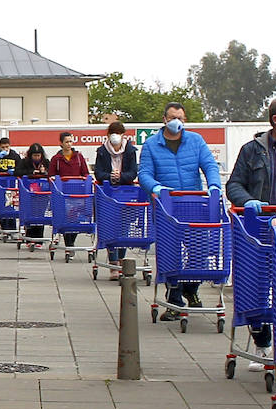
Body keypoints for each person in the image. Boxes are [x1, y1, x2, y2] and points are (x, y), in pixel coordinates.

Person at [227, 96, 276, 364]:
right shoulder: (252, 150)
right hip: (259, 230)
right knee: (255, 289)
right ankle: (262, 343)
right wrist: (248, 201)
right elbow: (234, 185)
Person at [138, 102, 222, 319]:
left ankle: (190, 288)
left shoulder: (195, 140)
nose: (177, 122)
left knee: (200, 250)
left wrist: (214, 185)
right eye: (173, 117)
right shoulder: (151, 145)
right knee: (170, 254)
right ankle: (174, 299)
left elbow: (209, 165)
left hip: (194, 205)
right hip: (167, 208)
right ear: (164, 119)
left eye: (181, 118)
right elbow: (144, 173)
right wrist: (156, 188)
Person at [94, 121, 139, 278]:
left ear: (123, 135)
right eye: (113, 133)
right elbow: (98, 172)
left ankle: (121, 260)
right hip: (108, 193)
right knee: (110, 227)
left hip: (126, 192)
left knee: (124, 227)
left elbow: (133, 172)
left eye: (119, 133)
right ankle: (113, 263)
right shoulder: (102, 151)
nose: (116, 136)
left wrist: (121, 176)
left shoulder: (130, 151)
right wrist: (109, 176)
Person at [49, 131, 90, 250]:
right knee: (66, 219)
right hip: (63, 195)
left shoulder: (79, 157)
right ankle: (69, 244)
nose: (69, 144)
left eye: (71, 141)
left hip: (77, 194)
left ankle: (71, 243)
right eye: (66, 142)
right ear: (61, 143)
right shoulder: (56, 159)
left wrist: (84, 180)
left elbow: (85, 173)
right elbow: (51, 175)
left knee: (75, 219)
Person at [0, 136, 24, 231]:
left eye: (7, 147)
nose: (5, 149)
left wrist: (15, 172)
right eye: (3, 147)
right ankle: (0, 225)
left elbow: (20, 168)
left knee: (10, 205)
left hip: (10, 185)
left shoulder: (14, 155)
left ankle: (11, 227)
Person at [19, 142, 50, 242]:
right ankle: (29, 237)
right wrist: (31, 173)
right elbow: (17, 172)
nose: (37, 157)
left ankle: (39, 238)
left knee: (40, 214)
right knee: (30, 214)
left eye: (38, 155)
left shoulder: (46, 162)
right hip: (29, 193)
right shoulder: (24, 162)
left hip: (43, 193)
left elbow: (51, 173)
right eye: (34, 155)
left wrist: (44, 172)